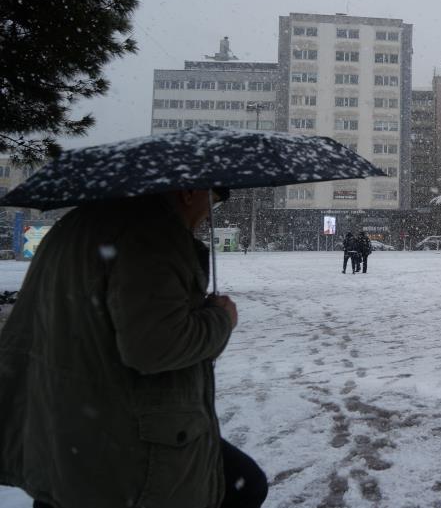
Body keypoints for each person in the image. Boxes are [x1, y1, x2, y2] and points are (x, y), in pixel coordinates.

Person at [0, 189, 268, 508]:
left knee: (61, 494)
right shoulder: (149, 235)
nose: (212, 210)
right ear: (189, 192)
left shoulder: (79, 223)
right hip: (122, 435)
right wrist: (220, 319)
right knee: (244, 486)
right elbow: (155, 346)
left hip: (63, 422)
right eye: (215, 197)